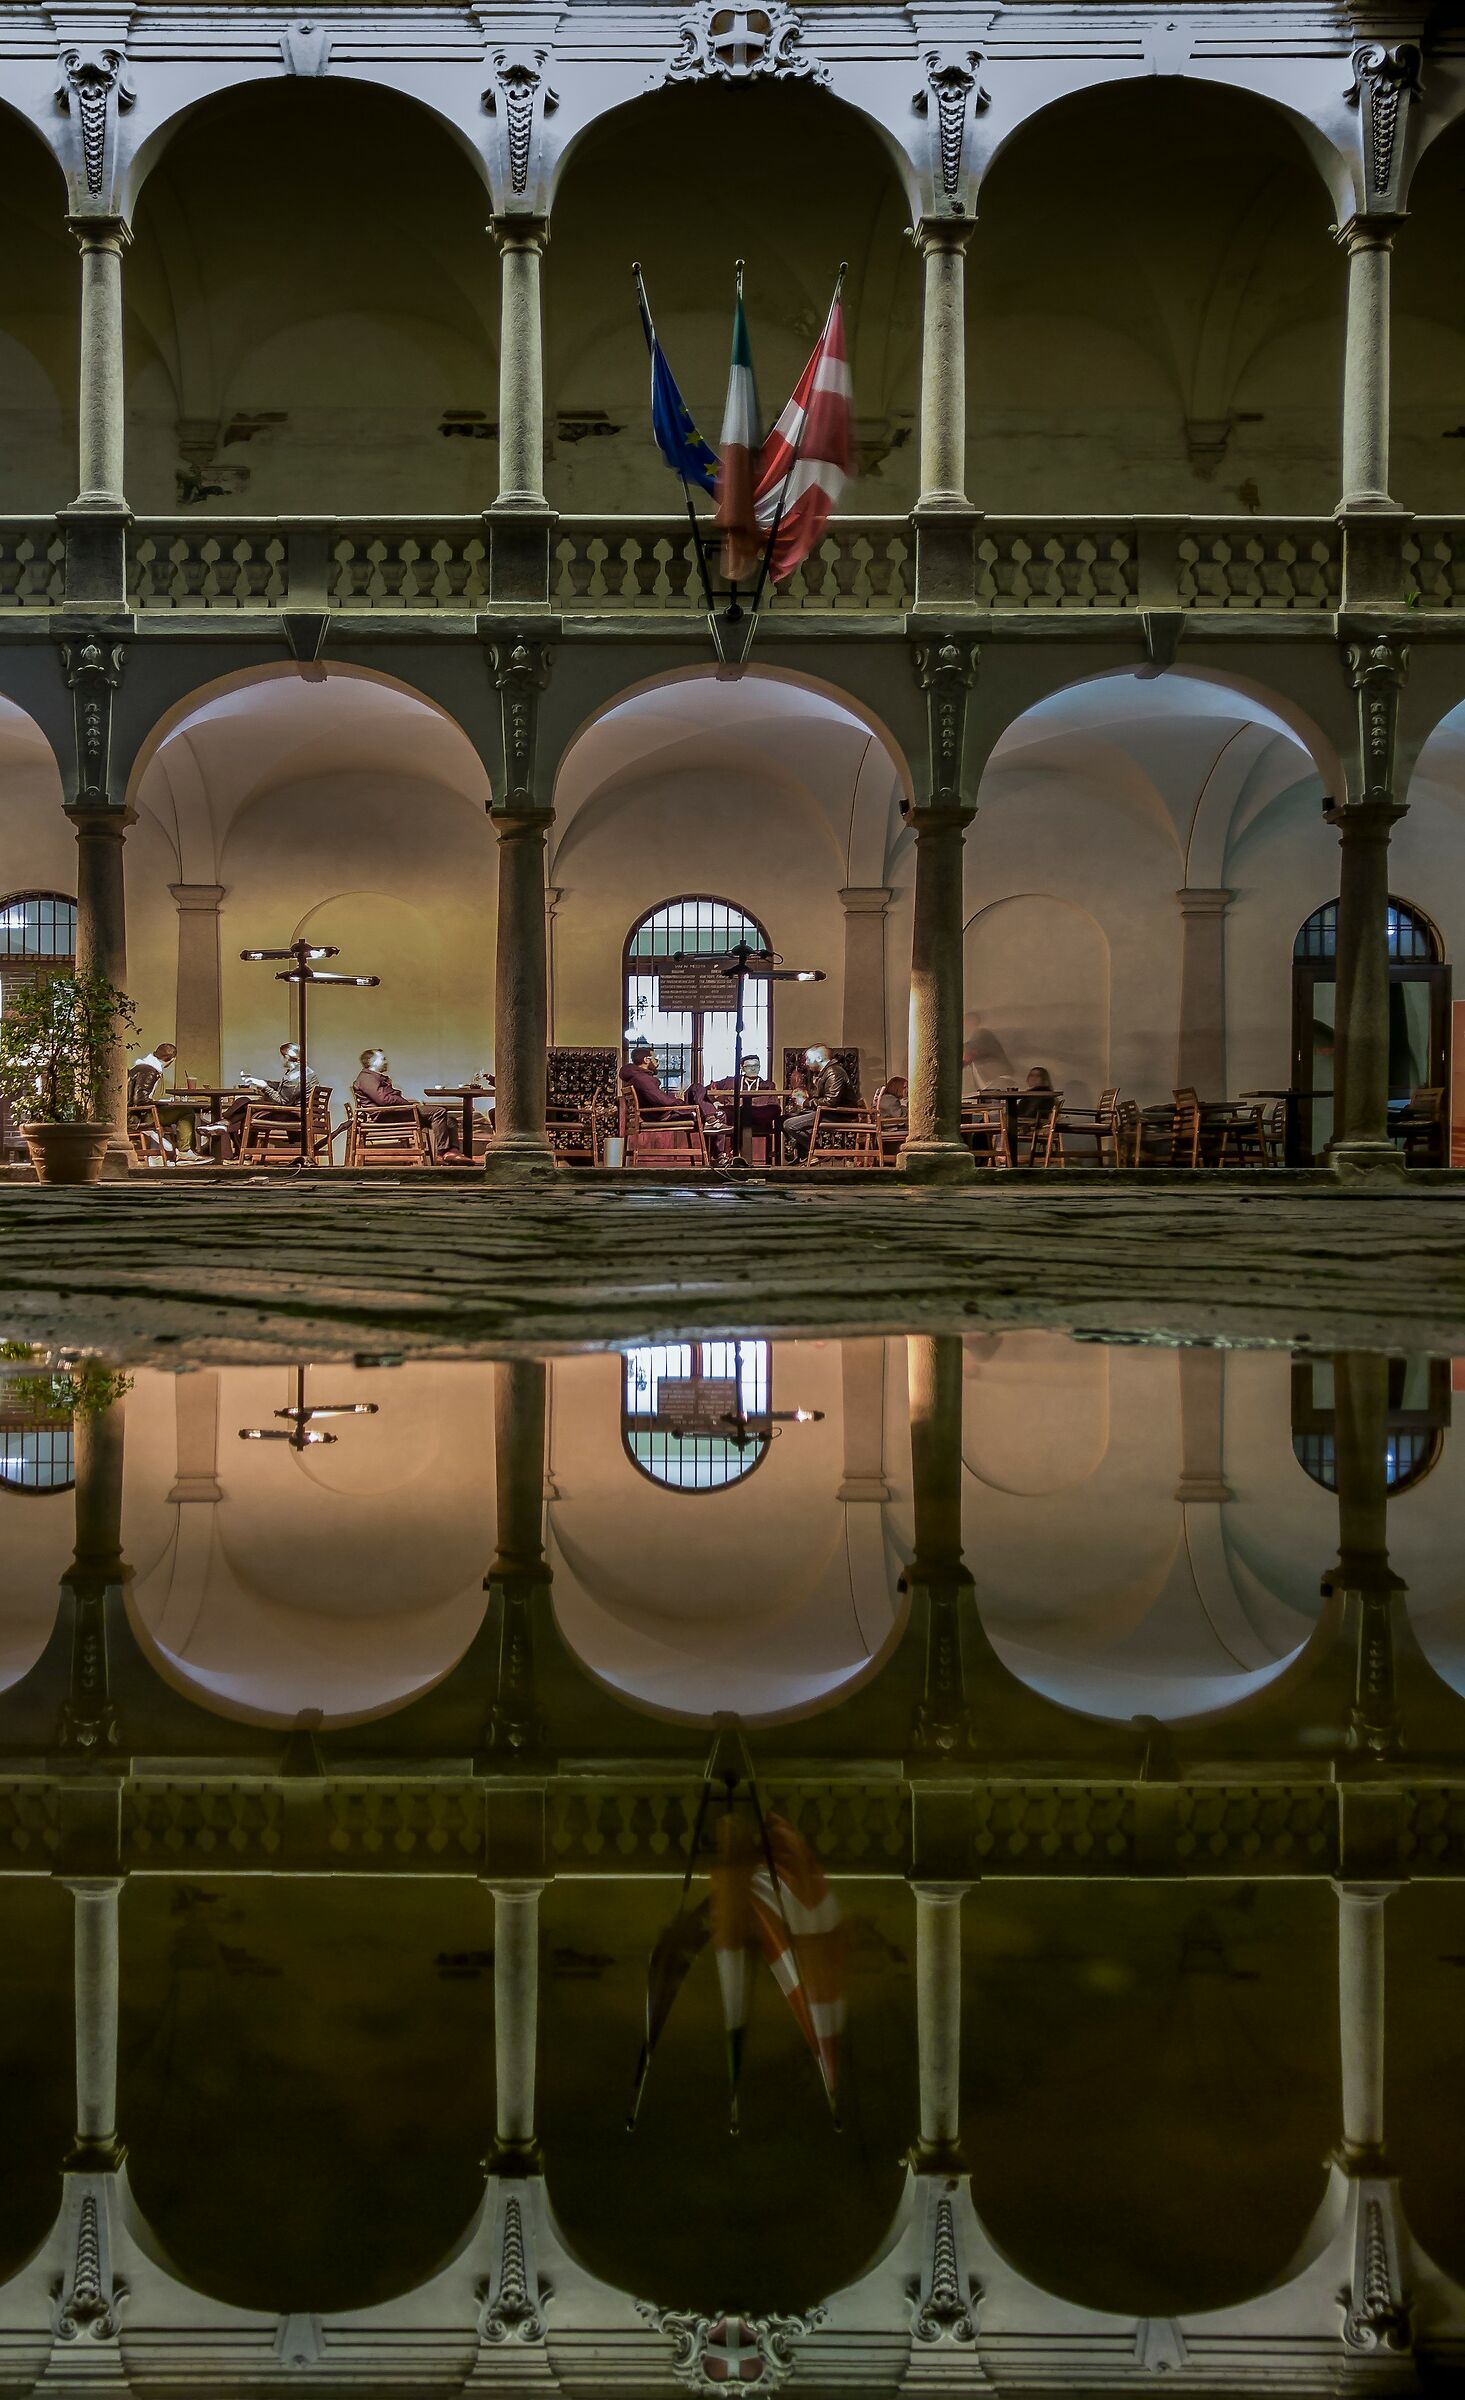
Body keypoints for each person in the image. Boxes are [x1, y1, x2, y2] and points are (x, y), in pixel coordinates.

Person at [353, 1049, 463, 1163]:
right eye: (383, 1059)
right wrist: (407, 1104)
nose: (386, 1062)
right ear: (373, 1061)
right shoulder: (367, 1078)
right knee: (438, 1111)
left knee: (450, 1119)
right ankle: (442, 1154)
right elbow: (384, 1100)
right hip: (386, 1115)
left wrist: (407, 1103)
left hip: (394, 1111)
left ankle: (453, 1152)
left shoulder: (372, 1077)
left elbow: (386, 1098)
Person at [781, 1044, 851, 1162]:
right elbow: (820, 1096)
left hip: (838, 1114)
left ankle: (818, 1152)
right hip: (825, 1112)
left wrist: (806, 1103)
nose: (806, 1063)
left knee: (790, 1124)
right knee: (782, 1119)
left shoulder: (834, 1072)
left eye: (808, 1059)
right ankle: (808, 1154)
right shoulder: (822, 1073)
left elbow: (831, 1101)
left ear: (819, 1058)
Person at [128, 1041, 181, 1161]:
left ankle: (176, 1150)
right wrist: (160, 1103)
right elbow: (140, 1100)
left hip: (135, 1113)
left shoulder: (141, 1067)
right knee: (185, 1112)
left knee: (176, 1113)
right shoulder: (150, 1071)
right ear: (172, 1060)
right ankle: (184, 1150)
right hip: (138, 1115)